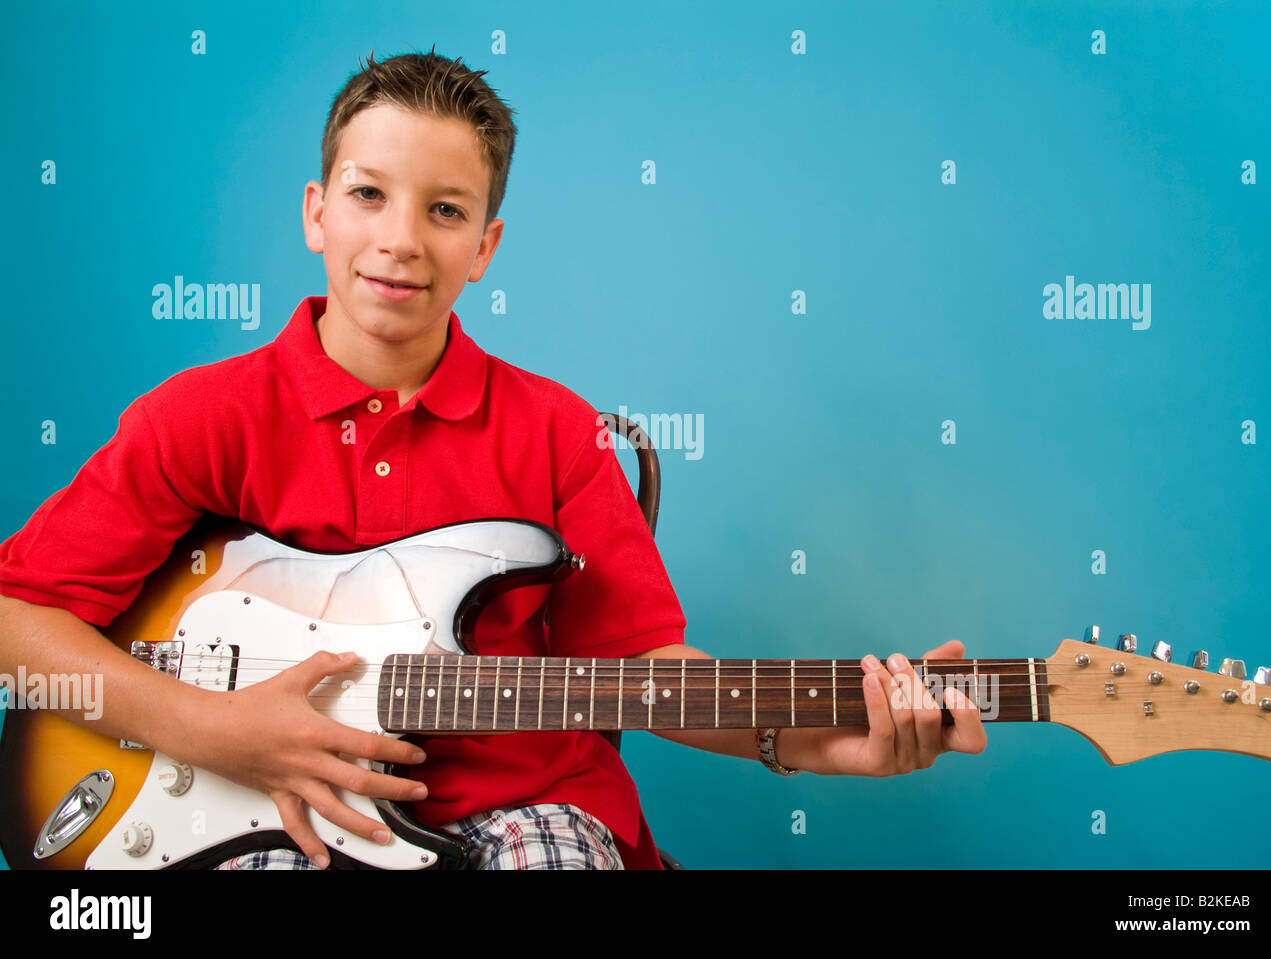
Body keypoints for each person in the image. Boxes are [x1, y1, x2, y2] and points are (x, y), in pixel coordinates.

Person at [0, 47, 986, 871]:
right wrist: (205, 727)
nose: (399, 240)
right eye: (368, 194)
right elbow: (15, 618)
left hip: (526, 806)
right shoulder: (203, 416)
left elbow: (646, 671)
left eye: (444, 209)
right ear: (315, 211)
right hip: (269, 802)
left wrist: (816, 737)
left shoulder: (555, 431)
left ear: (486, 244)